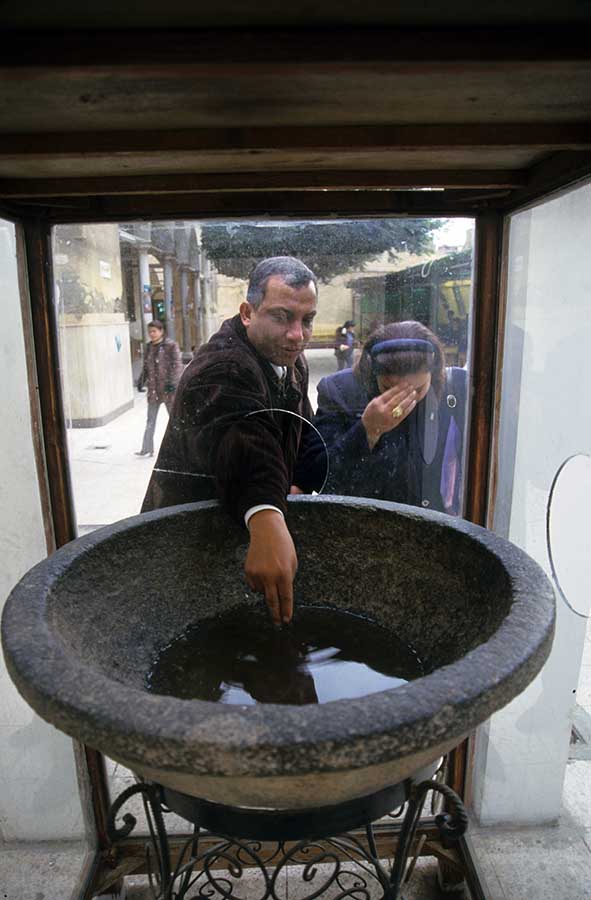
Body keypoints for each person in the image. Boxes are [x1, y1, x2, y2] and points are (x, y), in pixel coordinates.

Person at [141, 257, 319, 626]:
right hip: (183, 544)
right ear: (247, 313)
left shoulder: (291, 360)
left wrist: (301, 483)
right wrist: (266, 515)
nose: (297, 335)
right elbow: (242, 438)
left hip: (232, 528)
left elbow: (304, 432)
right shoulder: (223, 366)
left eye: (307, 320)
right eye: (282, 316)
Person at [300, 321, 466, 515]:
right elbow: (316, 475)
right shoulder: (340, 390)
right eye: (389, 389)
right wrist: (367, 430)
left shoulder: (453, 390)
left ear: (434, 373)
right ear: (372, 373)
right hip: (365, 518)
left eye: (418, 389)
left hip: (432, 518)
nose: (404, 400)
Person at [135, 320, 183, 458]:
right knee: (150, 421)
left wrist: (172, 384)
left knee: (174, 420)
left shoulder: (171, 346)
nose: (152, 334)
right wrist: (141, 381)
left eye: (154, 331)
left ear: (161, 331)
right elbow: (146, 367)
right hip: (154, 391)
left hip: (168, 391)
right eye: (150, 331)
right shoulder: (148, 347)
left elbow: (177, 366)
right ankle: (146, 448)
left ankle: (182, 448)